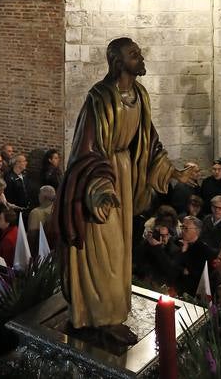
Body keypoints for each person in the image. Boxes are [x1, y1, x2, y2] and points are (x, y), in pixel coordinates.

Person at [55, 37, 199, 347]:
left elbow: (150, 142)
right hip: (100, 183)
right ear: (119, 62)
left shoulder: (140, 95)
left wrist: (175, 173)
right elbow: (87, 148)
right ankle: (96, 317)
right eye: (134, 54)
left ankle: (112, 314)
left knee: (119, 252)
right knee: (102, 251)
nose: (141, 57)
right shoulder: (100, 97)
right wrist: (99, 190)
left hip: (123, 177)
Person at [176, 216, 213, 297]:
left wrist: (184, 252)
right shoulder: (176, 242)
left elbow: (193, 274)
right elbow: (173, 267)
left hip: (190, 293)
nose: (182, 231)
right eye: (182, 227)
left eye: (186, 228)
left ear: (197, 231)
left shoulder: (203, 250)